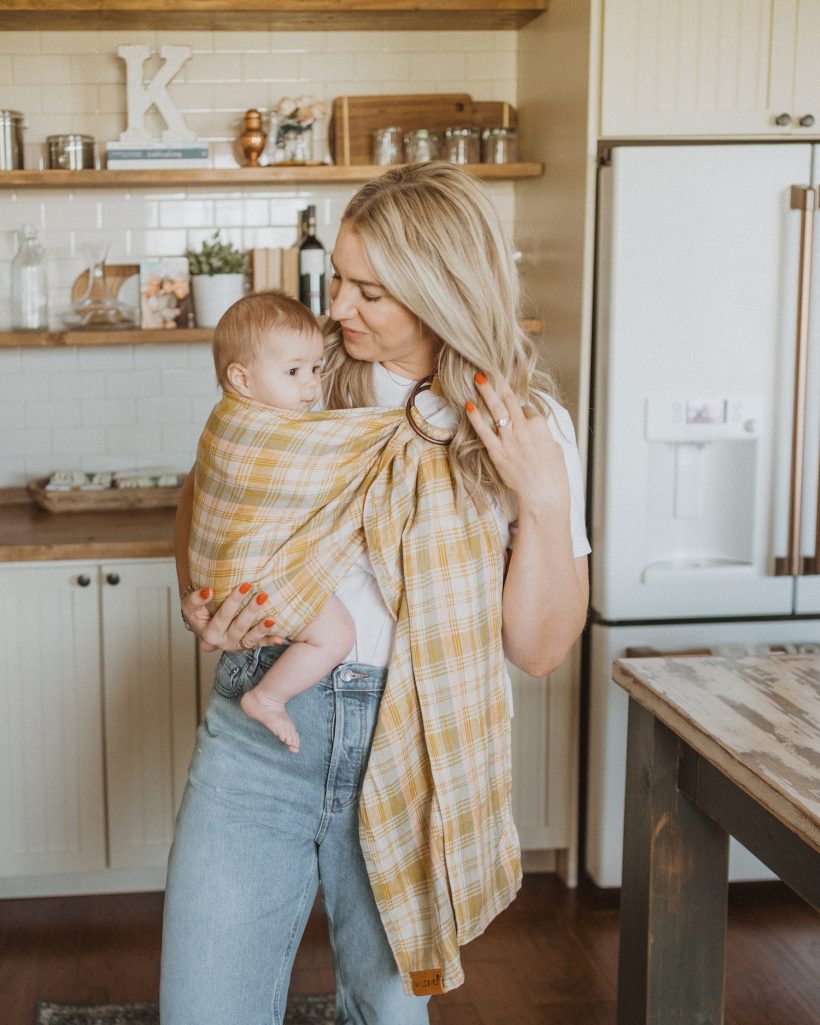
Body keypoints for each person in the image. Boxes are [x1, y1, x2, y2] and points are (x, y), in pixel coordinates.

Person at [160, 161, 590, 1025]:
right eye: (339, 283)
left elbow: (538, 648)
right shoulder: (308, 382)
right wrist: (197, 593)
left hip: (411, 748)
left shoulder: (519, 426)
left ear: (440, 291)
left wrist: (540, 494)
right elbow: (212, 492)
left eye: (369, 291)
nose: (340, 308)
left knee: (384, 1013)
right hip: (263, 724)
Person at [188, 290, 355, 753]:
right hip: (248, 580)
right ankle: (268, 697)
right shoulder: (257, 429)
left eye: (317, 370)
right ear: (241, 378)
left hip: (232, 580)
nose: (311, 387)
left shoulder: (231, 417)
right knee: (336, 635)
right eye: (294, 372)